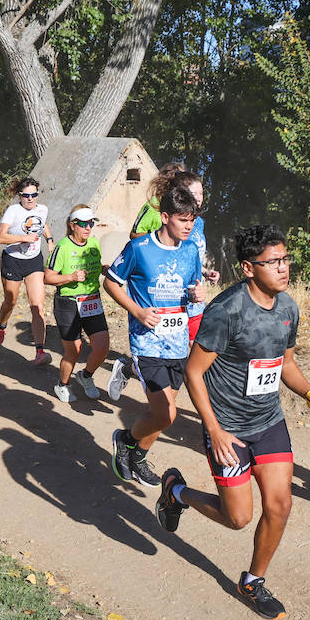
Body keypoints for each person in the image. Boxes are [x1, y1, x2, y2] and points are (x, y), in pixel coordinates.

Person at [157, 225, 310, 620]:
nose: (283, 267)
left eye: (285, 259)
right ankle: (178, 493)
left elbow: (286, 364)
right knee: (238, 518)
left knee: (281, 504)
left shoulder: (288, 308)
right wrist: (215, 430)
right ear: (248, 268)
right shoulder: (227, 311)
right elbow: (193, 372)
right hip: (228, 428)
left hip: (268, 421)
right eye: (273, 262)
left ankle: (253, 581)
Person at [103, 185, 205, 487]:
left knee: (161, 415)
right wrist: (137, 311)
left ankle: (137, 455)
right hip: (147, 341)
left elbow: (189, 293)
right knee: (167, 413)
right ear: (164, 217)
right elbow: (110, 283)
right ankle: (125, 439)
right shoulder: (139, 249)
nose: (188, 226)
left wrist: (196, 294)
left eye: (192, 220)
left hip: (177, 343)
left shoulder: (190, 250)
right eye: (182, 220)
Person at [43, 205, 110, 402]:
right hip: (68, 303)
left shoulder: (94, 244)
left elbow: (97, 267)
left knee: (102, 347)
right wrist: (71, 276)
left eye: (91, 223)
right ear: (73, 225)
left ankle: (85, 376)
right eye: (84, 224)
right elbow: (48, 278)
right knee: (75, 349)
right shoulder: (62, 248)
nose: (88, 227)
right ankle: (62, 384)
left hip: (91, 300)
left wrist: (105, 270)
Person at [0, 176, 54, 366]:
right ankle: (2, 325)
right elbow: (0, 238)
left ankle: (40, 352)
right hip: (13, 261)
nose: (30, 199)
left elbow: (42, 225)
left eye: (34, 195)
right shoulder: (13, 211)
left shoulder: (42, 209)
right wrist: (22, 238)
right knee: (10, 301)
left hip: (34, 261)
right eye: (26, 196)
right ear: (20, 196)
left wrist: (49, 240)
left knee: (38, 306)